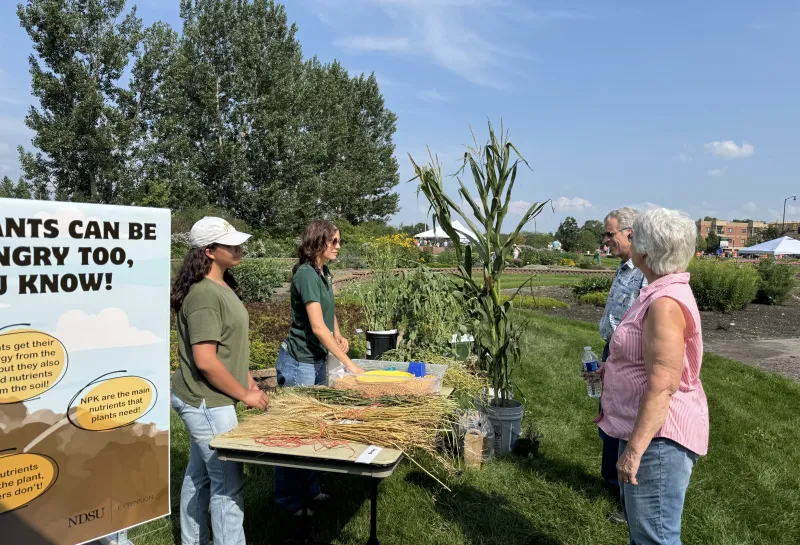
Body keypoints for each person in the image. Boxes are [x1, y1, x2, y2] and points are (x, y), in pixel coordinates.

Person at [597, 208, 709, 545]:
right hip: (647, 431)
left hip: (659, 438)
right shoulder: (658, 290)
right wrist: (611, 368)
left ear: (645, 250)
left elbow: (663, 386)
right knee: (644, 532)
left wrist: (633, 452)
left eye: (636, 237)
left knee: (655, 538)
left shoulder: (664, 303)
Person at [170, 217, 270, 545]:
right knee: (228, 483)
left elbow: (227, 347)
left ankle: (193, 540)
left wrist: (248, 379)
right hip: (206, 402)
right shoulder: (203, 296)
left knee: (199, 477)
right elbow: (206, 361)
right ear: (209, 251)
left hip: (211, 398)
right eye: (231, 244)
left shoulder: (223, 285)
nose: (239, 248)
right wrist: (244, 395)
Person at [274, 220, 364, 517]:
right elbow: (316, 327)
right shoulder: (306, 275)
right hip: (299, 361)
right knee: (296, 430)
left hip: (315, 359)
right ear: (318, 242)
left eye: (340, 241)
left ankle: (311, 489)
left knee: (316, 426)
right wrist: (349, 363)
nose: (338, 246)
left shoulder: (324, 272)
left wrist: (338, 331)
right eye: (334, 241)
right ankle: (290, 500)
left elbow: (328, 313)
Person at [595, 207, 648, 524]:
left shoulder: (643, 273)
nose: (606, 239)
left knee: (626, 422)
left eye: (609, 233)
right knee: (609, 416)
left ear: (630, 233)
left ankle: (631, 500)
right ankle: (613, 482)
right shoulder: (624, 268)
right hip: (614, 351)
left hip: (630, 358)